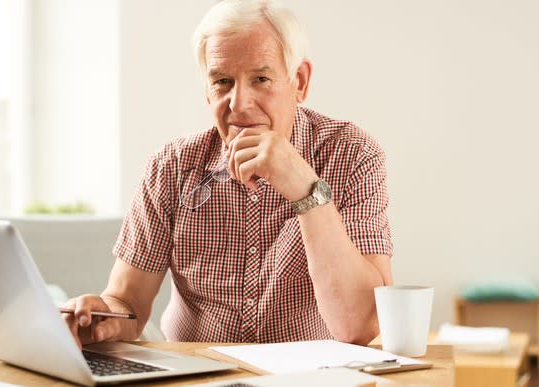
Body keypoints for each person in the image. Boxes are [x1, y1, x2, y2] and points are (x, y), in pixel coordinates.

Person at [64, 0, 393, 348]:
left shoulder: (352, 153)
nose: (239, 103)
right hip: (196, 375)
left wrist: (305, 189)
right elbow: (127, 303)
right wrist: (102, 318)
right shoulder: (171, 167)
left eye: (261, 79)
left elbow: (359, 326)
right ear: (207, 90)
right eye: (222, 81)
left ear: (299, 81)